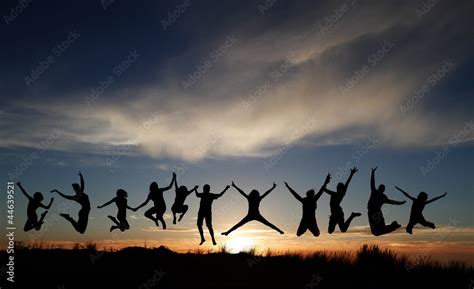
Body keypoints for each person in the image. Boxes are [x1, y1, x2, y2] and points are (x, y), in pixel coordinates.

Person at [367, 167, 405, 236]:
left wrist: (400, 203)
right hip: (373, 212)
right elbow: (372, 183)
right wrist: (372, 173)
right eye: (380, 189)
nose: (381, 190)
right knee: (377, 231)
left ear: (383, 190)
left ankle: (394, 225)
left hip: (376, 212)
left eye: (382, 189)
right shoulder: (374, 192)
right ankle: (394, 225)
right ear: (379, 189)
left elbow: (392, 202)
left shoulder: (381, 196)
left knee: (377, 231)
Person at [324, 167, 362, 233]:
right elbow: (324, 190)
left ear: (340, 189)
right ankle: (351, 216)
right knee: (330, 231)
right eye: (338, 188)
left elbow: (347, 183)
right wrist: (326, 181)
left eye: (339, 188)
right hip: (334, 214)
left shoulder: (340, 194)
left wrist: (351, 174)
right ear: (337, 188)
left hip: (338, 214)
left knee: (343, 230)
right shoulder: (334, 194)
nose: (338, 189)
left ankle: (352, 216)